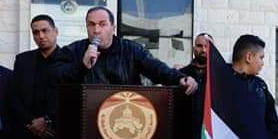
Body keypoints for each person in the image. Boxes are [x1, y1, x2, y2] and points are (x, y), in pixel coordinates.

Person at [50, 6, 197, 95]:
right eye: (91, 24)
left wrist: (179, 78)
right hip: (88, 119)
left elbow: (155, 68)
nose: (96, 30)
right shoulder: (73, 50)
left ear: (113, 27)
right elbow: (56, 76)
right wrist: (81, 66)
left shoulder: (131, 49)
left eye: (102, 24)